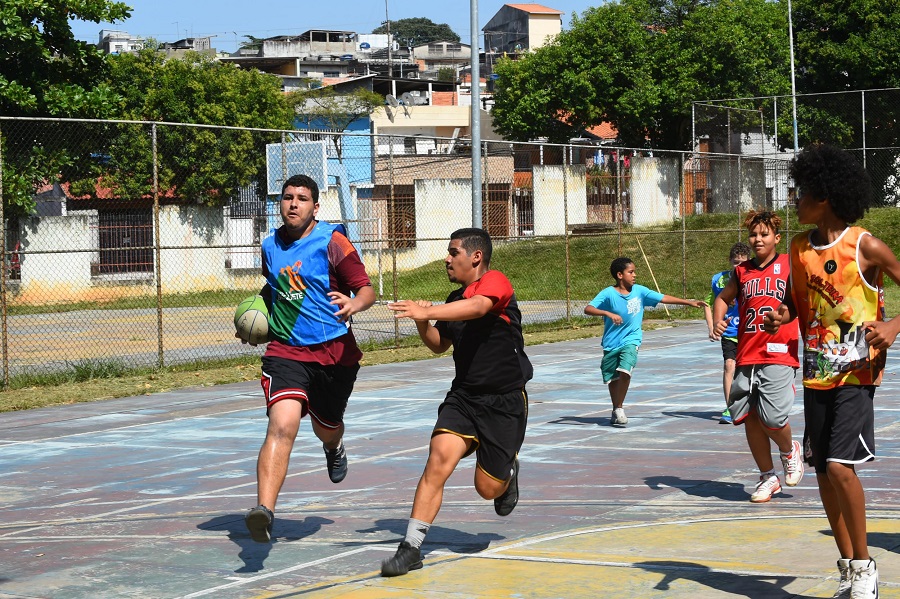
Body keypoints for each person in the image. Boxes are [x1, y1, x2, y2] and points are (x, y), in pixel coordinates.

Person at [764, 144, 900, 598]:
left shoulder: (864, 245)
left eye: (800, 192)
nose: (794, 199)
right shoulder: (799, 249)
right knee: (822, 470)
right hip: (816, 373)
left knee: (841, 467)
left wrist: (894, 324)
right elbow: (794, 305)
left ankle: (865, 568)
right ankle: (847, 567)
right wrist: (780, 317)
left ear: (823, 196)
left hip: (857, 374)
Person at [381, 228, 533, 577]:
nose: (447, 259)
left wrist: (431, 308)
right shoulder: (453, 299)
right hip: (464, 397)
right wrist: (422, 320)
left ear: (475, 256)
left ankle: (507, 473)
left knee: (487, 488)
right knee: (437, 460)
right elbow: (438, 344)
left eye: (453, 252)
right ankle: (411, 547)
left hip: (504, 401)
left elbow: (479, 307)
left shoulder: (496, 282)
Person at [241, 174, 375, 544]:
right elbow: (275, 289)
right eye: (287, 198)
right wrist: (254, 321)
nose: (294, 204)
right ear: (279, 204)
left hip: (335, 353)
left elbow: (366, 289)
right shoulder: (270, 246)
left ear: (315, 207)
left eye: (302, 198)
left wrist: (353, 304)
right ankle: (263, 511)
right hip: (286, 352)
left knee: (326, 427)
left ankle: (334, 447)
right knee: (282, 425)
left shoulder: (333, 241)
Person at [712, 211, 803, 504]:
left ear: (776, 238)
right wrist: (718, 321)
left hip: (779, 352)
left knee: (772, 417)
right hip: (748, 353)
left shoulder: (791, 265)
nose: (758, 239)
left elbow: (805, 299)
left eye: (764, 234)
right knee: (748, 417)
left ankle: (790, 451)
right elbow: (723, 299)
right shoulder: (742, 271)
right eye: (754, 235)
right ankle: (768, 477)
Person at [584, 257, 707, 427]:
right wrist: (608, 314)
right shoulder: (608, 293)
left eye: (634, 271)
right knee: (613, 378)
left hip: (631, 340)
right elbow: (588, 308)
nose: (634, 275)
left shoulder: (640, 291)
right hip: (611, 342)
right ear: (620, 275)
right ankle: (616, 408)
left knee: (625, 370)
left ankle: (619, 407)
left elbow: (663, 298)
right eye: (631, 272)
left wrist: (688, 302)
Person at [705, 242, 752, 424]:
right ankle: (730, 407)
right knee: (729, 365)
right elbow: (708, 303)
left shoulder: (753, 279)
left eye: (742, 262)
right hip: (730, 331)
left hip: (748, 331)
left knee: (747, 369)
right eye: (735, 262)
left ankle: (750, 404)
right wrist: (712, 326)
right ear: (729, 261)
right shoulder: (720, 280)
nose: (738, 266)